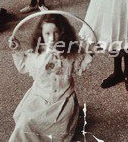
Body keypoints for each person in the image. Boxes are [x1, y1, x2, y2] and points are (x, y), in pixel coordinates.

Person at [8, 14, 93, 142]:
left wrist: (90, 53)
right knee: (26, 122)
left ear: (63, 33)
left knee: (58, 129)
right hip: (40, 97)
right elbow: (23, 67)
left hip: (63, 100)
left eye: (56, 32)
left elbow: (80, 67)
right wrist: (17, 50)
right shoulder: (37, 55)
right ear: (41, 34)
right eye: (47, 33)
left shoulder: (71, 54)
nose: (52, 38)